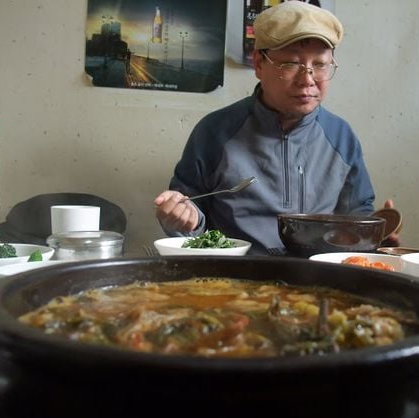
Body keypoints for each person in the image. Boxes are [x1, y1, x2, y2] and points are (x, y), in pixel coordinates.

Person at [154, 1, 398, 254]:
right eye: (291, 64)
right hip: (234, 280)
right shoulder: (215, 132)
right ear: (259, 63)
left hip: (320, 280)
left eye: (320, 65)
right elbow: (189, 212)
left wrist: (375, 237)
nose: (307, 79)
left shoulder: (340, 136)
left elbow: (357, 215)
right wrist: (183, 218)